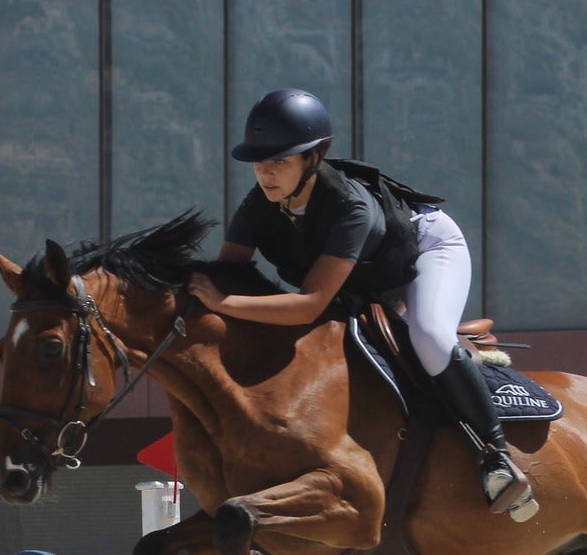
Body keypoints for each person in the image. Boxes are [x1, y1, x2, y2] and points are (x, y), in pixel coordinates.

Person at [187, 88, 535, 521]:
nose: (265, 173)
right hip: (366, 274)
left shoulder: (349, 207)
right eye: (258, 162)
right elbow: (227, 274)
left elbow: (309, 304)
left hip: (425, 247)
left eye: (280, 161)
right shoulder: (258, 205)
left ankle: (497, 459)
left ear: (313, 157)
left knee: (428, 335)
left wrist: (223, 302)